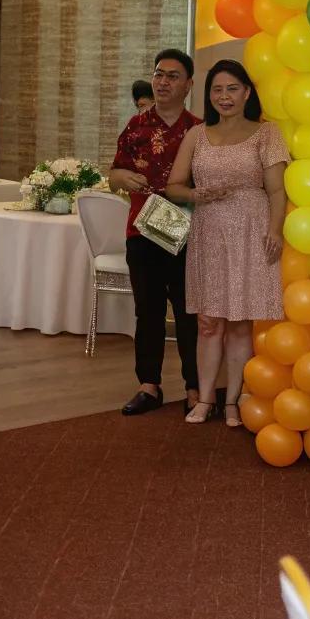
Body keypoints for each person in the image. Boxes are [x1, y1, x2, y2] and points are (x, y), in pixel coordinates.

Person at [166, 59, 288, 427]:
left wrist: (275, 229)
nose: (224, 96)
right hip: (209, 233)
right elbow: (174, 187)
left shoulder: (267, 134)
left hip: (252, 231)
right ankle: (205, 399)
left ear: (247, 92)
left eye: (232, 88)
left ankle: (232, 400)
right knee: (208, 322)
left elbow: (278, 189)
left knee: (239, 323)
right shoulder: (196, 135)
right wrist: (196, 194)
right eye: (217, 90)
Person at [110, 49, 201, 417]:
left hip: (187, 233)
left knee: (188, 312)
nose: (163, 82)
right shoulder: (136, 126)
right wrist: (120, 178)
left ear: (189, 85)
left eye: (173, 76)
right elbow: (114, 172)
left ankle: (196, 388)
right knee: (146, 311)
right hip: (142, 230)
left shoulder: (200, 130)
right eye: (159, 74)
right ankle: (149, 385)